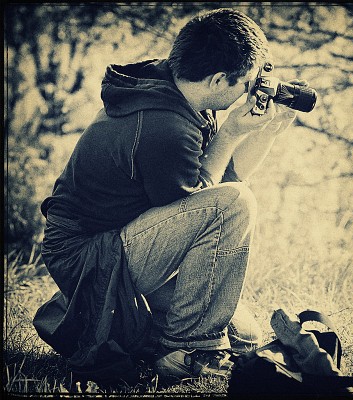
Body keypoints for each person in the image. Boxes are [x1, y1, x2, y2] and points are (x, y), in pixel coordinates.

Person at [34, 8, 300, 384]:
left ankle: (86, 314)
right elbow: (215, 204)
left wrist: (268, 130)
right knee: (235, 203)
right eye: (246, 84)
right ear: (218, 79)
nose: (249, 92)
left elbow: (224, 179)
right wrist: (229, 134)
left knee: (246, 337)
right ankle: (187, 349)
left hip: (122, 239)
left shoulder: (178, 90)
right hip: (88, 256)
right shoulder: (164, 126)